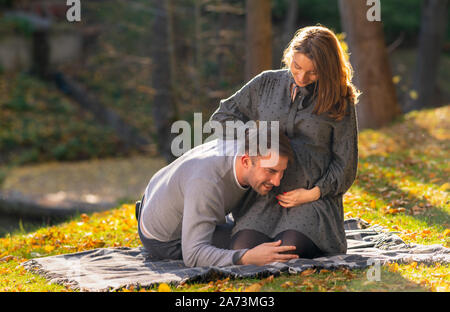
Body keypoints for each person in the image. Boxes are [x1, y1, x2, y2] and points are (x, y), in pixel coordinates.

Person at [210, 25, 359, 259]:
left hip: (311, 200)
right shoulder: (266, 84)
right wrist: (258, 140)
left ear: (327, 69)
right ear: (290, 56)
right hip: (263, 197)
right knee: (243, 250)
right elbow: (221, 118)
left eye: (313, 72)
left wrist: (313, 194)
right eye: (297, 67)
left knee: (287, 250)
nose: (301, 77)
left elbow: (346, 165)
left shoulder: (340, 100)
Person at [136, 125, 298, 267]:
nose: (277, 181)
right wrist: (247, 258)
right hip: (164, 239)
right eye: (271, 171)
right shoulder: (207, 183)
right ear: (246, 162)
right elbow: (193, 255)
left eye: (281, 172)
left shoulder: (246, 146)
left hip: (157, 195)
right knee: (246, 242)